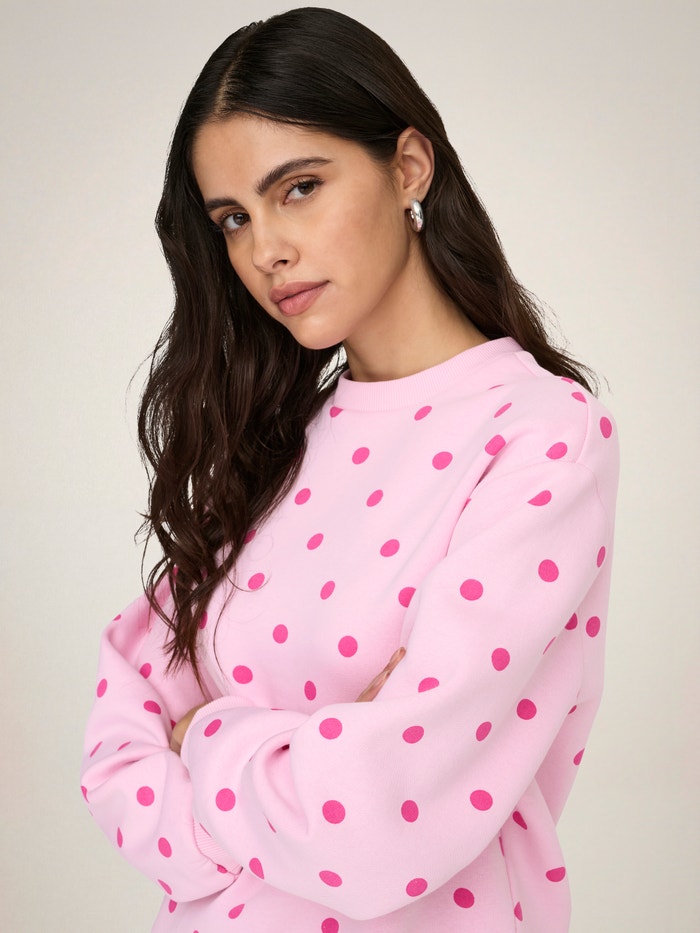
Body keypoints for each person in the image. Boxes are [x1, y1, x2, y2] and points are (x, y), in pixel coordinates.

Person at [81, 8, 619, 932]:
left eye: (298, 188)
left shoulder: (541, 435)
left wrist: (207, 733)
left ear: (408, 167)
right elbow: (115, 747)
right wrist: (302, 764)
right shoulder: (273, 441)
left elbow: (375, 821)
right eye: (233, 218)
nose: (265, 251)